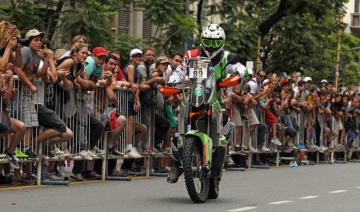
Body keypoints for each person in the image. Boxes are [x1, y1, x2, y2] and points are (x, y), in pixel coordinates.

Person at [167, 23, 253, 183]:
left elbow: (242, 68)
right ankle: (176, 163)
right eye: (208, 41)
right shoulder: (191, 54)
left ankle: (223, 151)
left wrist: (240, 73)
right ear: (202, 40)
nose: (211, 45)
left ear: (221, 42)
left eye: (215, 42)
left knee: (226, 119)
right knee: (181, 118)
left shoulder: (227, 57)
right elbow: (179, 70)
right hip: (193, 96)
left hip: (215, 97)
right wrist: (173, 79)